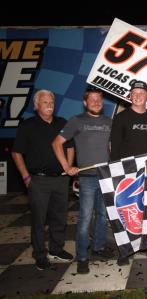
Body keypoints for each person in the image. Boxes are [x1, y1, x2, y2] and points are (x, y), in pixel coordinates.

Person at [52, 87, 114, 274]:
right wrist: (66, 167)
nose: (96, 102)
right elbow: (57, 143)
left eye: (99, 99)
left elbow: (112, 148)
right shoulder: (77, 121)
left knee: (102, 217)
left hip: (105, 177)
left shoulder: (109, 122)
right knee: (85, 218)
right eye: (92, 99)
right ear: (85, 103)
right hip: (87, 179)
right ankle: (82, 257)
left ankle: (99, 248)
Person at [12, 89, 74, 270]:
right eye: (45, 102)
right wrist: (25, 177)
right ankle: (39, 254)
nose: (49, 106)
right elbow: (16, 153)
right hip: (38, 181)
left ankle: (56, 249)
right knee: (39, 220)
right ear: (36, 105)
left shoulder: (62, 123)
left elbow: (70, 147)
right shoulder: (27, 125)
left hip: (60, 180)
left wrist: (68, 168)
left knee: (59, 218)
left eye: (52, 103)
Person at [110, 80, 147, 265]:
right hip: (126, 175)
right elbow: (114, 147)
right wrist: (115, 171)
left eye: (142, 92)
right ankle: (124, 250)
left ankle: (145, 246)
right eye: (134, 92)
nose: (138, 95)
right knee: (126, 212)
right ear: (129, 96)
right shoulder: (121, 118)